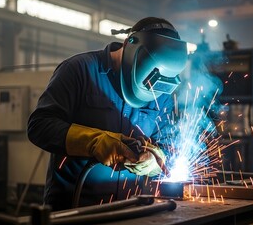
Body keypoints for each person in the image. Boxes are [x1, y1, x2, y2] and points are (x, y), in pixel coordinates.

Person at [27, 17, 188, 211]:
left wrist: (157, 158)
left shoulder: (162, 92)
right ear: (130, 45)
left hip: (132, 208)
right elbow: (40, 126)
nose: (153, 89)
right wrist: (94, 141)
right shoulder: (79, 69)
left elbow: (168, 144)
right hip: (73, 208)